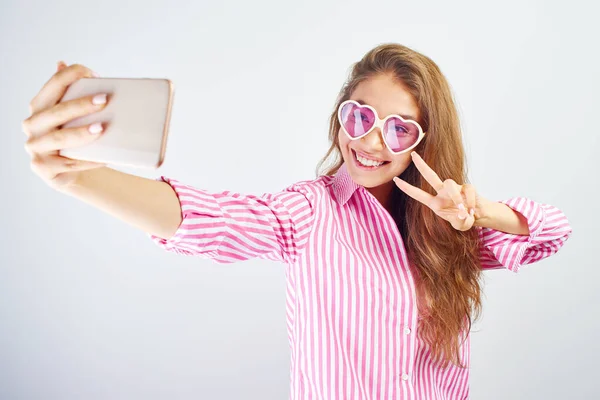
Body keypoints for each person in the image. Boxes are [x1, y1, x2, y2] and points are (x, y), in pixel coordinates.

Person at [22, 43, 572, 400]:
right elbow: (214, 220)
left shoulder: (442, 230)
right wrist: (78, 178)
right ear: (340, 117)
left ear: (425, 143)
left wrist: (477, 211)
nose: (371, 141)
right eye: (358, 116)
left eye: (400, 129)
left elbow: (552, 231)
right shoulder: (310, 213)